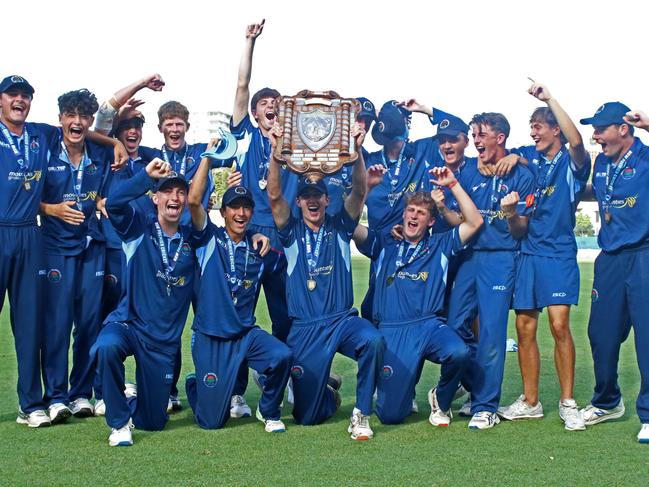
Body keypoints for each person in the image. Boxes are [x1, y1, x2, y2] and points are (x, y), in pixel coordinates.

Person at [267, 122, 385, 440]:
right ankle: (327, 391)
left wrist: (357, 150)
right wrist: (276, 152)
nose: (313, 201)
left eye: (318, 195)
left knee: (372, 341)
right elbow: (274, 193)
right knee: (307, 417)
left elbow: (360, 191)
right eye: (306, 196)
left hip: (340, 320)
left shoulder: (340, 225)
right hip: (305, 327)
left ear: (327, 200)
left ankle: (361, 414)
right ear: (300, 202)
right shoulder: (290, 231)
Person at [354, 165, 482, 426]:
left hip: (428, 326)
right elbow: (348, 225)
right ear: (403, 215)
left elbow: (475, 222)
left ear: (431, 221)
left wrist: (453, 184)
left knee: (458, 352)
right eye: (410, 211)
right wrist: (366, 189)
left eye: (421, 213)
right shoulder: (384, 244)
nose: (414, 216)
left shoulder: (440, 245)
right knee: (390, 416)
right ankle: (396, 389)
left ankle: (441, 399)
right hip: (391, 331)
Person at [497, 83, 590, 431]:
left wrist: (549, 99)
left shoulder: (571, 160)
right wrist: (509, 214)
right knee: (524, 328)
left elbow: (577, 141)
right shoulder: (528, 159)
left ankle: (568, 402)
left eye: (539, 125)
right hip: (528, 254)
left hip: (559, 254)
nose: (533, 131)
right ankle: (531, 401)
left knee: (560, 325)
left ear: (556, 130)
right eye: (531, 126)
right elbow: (519, 228)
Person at [91, 158, 202, 446]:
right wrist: (145, 177)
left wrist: (255, 237)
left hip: (162, 342)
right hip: (129, 324)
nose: (174, 197)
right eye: (167, 191)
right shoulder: (138, 229)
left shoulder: (194, 241)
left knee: (152, 423)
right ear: (155, 198)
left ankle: (136, 397)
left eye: (180, 192)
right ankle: (118, 423)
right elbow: (113, 204)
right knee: (106, 347)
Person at [218, 20, 298, 416]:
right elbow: (241, 88)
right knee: (239, 314)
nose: (272, 110)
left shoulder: (294, 145)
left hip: (284, 237)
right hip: (248, 236)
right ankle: (234, 391)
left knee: (288, 314)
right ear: (255, 113)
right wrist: (249, 42)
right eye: (266, 107)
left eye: (277, 107)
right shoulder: (245, 136)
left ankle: (290, 381)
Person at [184, 147, 292, 432]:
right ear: (224, 211)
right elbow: (194, 202)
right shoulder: (209, 240)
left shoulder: (261, 249)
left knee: (282, 356)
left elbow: (293, 264)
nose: (241, 213)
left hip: (245, 335)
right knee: (211, 422)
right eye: (234, 207)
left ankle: (268, 411)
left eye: (246, 207)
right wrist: (207, 157)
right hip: (211, 337)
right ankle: (195, 384)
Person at [446, 112, 534, 429]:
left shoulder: (522, 174)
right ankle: (473, 385)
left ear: (500, 137)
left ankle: (485, 406)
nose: (475, 140)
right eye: (474, 134)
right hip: (470, 257)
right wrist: (442, 207)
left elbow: (521, 230)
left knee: (493, 335)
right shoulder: (470, 169)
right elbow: (458, 217)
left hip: (501, 258)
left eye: (481, 134)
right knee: (454, 325)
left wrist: (511, 213)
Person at [38, 89, 116, 422]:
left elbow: (109, 119)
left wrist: (99, 203)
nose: (77, 122)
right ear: (60, 118)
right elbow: (28, 196)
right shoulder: (45, 150)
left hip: (91, 246)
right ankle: (56, 397)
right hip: (55, 247)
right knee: (57, 324)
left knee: (88, 325)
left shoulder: (98, 153)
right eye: (71, 115)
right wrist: (52, 209)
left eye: (83, 116)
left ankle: (81, 392)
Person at [578, 103, 649, 443]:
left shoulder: (646, 157)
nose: (596, 135)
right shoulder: (602, 162)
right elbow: (598, 193)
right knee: (601, 334)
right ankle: (607, 401)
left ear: (623, 129)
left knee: (647, 339)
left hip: (644, 254)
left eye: (602, 128)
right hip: (609, 257)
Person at [0, 75, 60, 427]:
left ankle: (30, 404)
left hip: (28, 236)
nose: (19, 100)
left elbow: (80, 130)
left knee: (29, 324)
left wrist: (110, 143)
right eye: (12, 95)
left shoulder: (41, 134)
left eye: (25, 96)